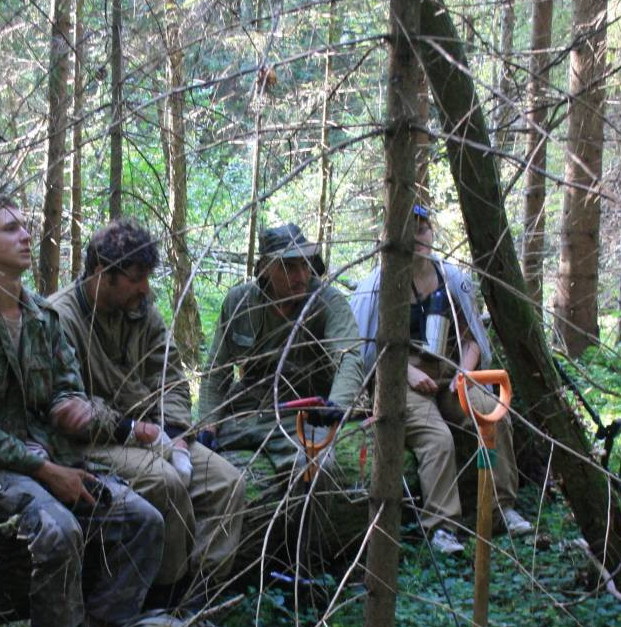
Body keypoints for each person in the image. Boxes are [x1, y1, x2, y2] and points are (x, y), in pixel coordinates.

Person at [0, 198, 163, 627]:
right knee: (60, 531)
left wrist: (72, 409)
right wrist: (44, 470)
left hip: (49, 455)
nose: (26, 236)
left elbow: (66, 387)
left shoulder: (41, 317)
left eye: (25, 227)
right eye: (10, 229)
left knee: (142, 520)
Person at [49, 219, 246, 592]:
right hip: (96, 441)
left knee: (227, 483)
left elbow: (169, 375)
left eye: (147, 277)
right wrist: (139, 432)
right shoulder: (59, 318)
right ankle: (163, 597)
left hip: (153, 432)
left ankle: (200, 595)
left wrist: (174, 434)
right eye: (135, 277)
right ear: (101, 272)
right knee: (166, 483)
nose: (145, 288)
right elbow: (66, 404)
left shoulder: (142, 310)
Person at [350, 204, 532, 553]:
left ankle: (500, 508)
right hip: (399, 380)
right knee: (438, 439)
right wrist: (407, 371)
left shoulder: (453, 279)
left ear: (431, 233)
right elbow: (368, 349)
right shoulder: (377, 286)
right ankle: (442, 526)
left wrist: (464, 370)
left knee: (492, 415)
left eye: (422, 229)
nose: (417, 238)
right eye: (408, 230)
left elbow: (472, 337)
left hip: (449, 373)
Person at [199, 224, 365, 471]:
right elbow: (216, 372)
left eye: (305, 264)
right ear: (265, 268)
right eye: (289, 267)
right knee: (200, 461)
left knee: (313, 466)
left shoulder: (328, 303)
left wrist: (336, 407)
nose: (301, 276)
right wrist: (208, 424)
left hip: (304, 414)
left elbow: (349, 357)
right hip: (248, 411)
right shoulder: (240, 303)